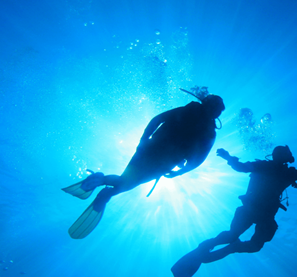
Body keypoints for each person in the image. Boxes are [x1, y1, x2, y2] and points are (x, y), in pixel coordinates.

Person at [62, 91, 225, 239]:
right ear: (217, 113)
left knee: (126, 180)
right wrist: (178, 173)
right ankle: (104, 187)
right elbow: (198, 161)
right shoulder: (209, 132)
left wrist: (143, 140)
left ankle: (103, 182)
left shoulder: (187, 110)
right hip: (164, 162)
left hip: (149, 149)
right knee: (128, 184)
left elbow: (157, 120)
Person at [171, 144, 297, 277]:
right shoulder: (273, 169)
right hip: (256, 211)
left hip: (259, 212)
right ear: (282, 155)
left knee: (247, 242)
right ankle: (221, 247)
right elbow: (242, 167)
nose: (289, 155)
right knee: (237, 238)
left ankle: (224, 247)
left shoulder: (284, 173)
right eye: (287, 153)